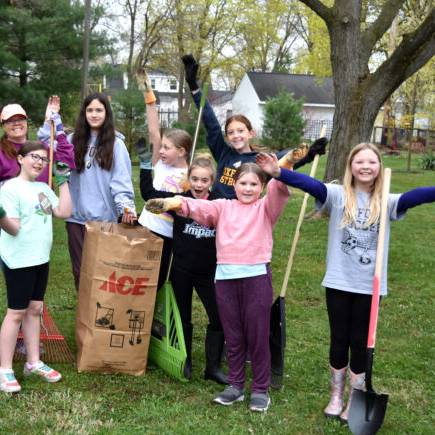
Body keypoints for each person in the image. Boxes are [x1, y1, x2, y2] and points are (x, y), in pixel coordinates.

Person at [255, 143, 435, 422]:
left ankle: (355, 399)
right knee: (338, 339)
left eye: (372, 161)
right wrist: (279, 173)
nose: (366, 166)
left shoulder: (386, 201)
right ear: (351, 167)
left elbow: (413, 197)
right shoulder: (336, 195)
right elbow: (311, 185)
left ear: (379, 167)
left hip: (369, 286)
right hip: (338, 281)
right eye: (359, 162)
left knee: (360, 343)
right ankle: (336, 396)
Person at [146, 162, 290, 411]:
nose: (247, 189)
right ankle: (235, 385)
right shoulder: (223, 206)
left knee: (256, 335)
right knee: (232, 334)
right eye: (242, 183)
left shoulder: (266, 207)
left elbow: (278, 189)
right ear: (233, 185)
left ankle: (260, 389)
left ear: (261, 186)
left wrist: (281, 168)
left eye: (254, 184)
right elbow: (200, 207)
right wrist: (174, 203)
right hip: (224, 278)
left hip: (255, 278)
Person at [0, 141, 72, 393]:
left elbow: (63, 211)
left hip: (40, 258)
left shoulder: (43, 188)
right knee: (16, 313)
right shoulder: (11, 188)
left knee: (35, 309)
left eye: (44, 159)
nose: (39, 162)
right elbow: (14, 228)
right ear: (20, 159)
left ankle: (33, 362)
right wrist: (0, 215)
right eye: (33, 157)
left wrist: (62, 181)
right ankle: (4, 370)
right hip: (19, 259)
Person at [180, 54, 328, 199]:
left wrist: (309, 153)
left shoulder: (260, 160)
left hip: (242, 217)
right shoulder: (223, 153)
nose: (236, 135)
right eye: (231, 132)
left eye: (240, 131)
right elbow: (211, 124)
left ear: (251, 133)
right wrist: (193, 85)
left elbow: (286, 159)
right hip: (216, 211)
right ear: (227, 137)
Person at [140, 153, 228, 384]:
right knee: (183, 318)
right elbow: (149, 195)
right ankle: (184, 359)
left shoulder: (220, 203)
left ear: (212, 181)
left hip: (209, 272)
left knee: (219, 319)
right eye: (195, 179)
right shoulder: (177, 200)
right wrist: (144, 165)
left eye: (205, 180)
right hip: (181, 270)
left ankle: (214, 367)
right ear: (188, 179)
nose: (199, 185)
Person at [0, 98, 75, 274]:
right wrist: (6, 185)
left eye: (20, 119)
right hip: (11, 222)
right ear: (3, 125)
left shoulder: (40, 149)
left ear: (26, 122)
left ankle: (38, 303)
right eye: (10, 120)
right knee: (17, 279)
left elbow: (67, 164)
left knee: (38, 275)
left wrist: (59, 132)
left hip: (39, 222)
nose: (16, 124)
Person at [59, 92, 137, 290]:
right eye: (90, 110)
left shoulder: (116, 144)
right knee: (80, 271)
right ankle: (84, 317)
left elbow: (121, 180)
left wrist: (126, 208)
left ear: (106, 113)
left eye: (99, 110)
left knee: (103, 271)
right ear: (84, 113)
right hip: (76, 217)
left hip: (104, 219)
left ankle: (101, 315)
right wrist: (50, 122)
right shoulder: (70, 140)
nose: (94, 114)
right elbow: (47, 152)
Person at [135, 68, 191, 290]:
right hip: (146, 228)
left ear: (182, 151)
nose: (162, 151)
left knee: (157, 282)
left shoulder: (189, 176)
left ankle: (152, 318)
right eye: (163, 147)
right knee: (138, 276)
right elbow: (153, 132)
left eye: (167, 148)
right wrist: (149, 98)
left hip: (168, 237)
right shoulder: (160, 164)